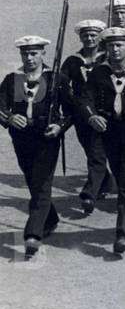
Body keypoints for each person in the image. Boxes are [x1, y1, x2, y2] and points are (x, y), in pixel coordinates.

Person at [75, 27, 125, 254]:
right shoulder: (98, 72)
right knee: (122, 178)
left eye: (119, 45)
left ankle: (122, 233)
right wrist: (92, 116)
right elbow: (84, 99)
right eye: (110, 45)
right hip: (109, 131)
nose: (115, 49)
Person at [0, 36, 71, 258]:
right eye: (25, 53)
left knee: (41, 184)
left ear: (43, 54)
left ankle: (32, 234)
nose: (29, 58)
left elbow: (71, 111)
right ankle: (51, 219)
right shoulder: (12, 79)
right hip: (22, 139)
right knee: (33, 181)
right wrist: (10, 118)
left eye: (34, 53)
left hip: (47, 138)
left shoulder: (56, 78)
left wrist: (59, 127)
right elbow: (0, 107)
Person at [61, 19, 114, 212]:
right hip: (82, 115)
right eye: (85, 35)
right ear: (80, 38)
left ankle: (89, 194)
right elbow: (62, 84)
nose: (90, 38)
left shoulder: (109, 57)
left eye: (93, 35)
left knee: (98, 154)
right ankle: (105, 181)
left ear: (100, 37)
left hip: (106, 113)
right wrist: (71, 104)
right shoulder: (72, 61)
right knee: (91, 151)